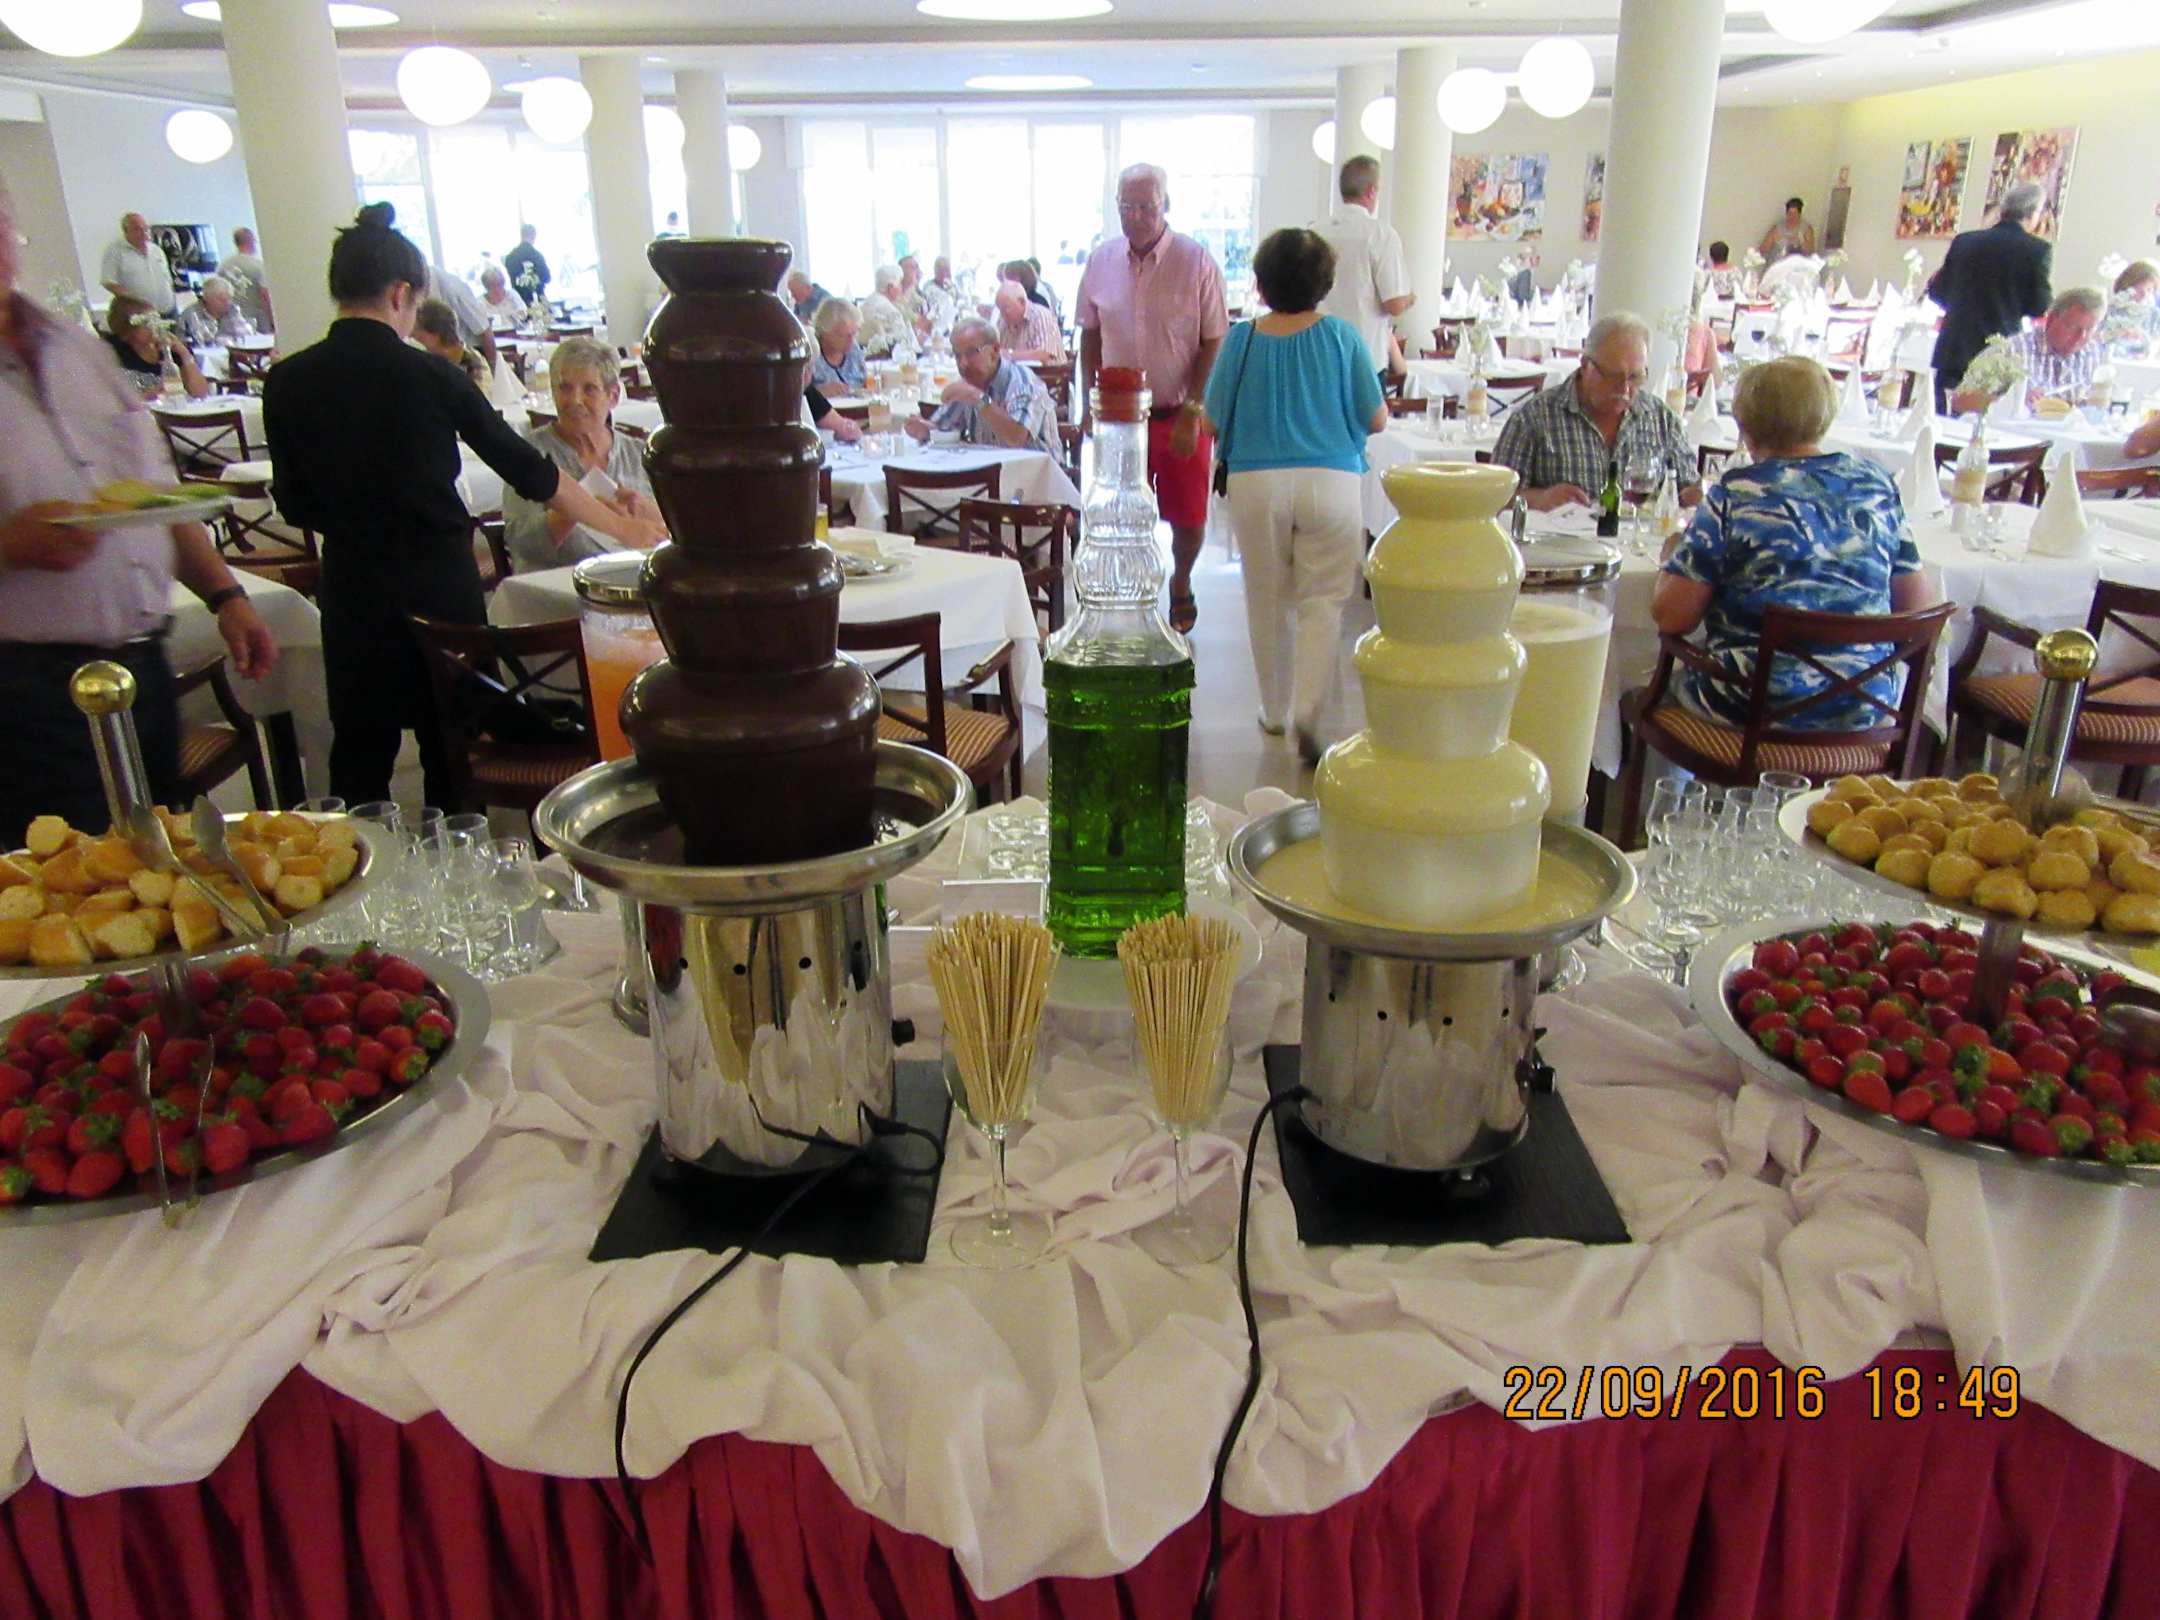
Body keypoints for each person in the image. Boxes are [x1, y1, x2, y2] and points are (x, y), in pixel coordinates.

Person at [263, 202, 664, 808]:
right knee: (451, 746)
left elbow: (294, 505)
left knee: (360, 753)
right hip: (437, 587)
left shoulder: (287, 381)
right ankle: (455, 849)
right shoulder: (432, 376)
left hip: (351, 587)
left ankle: (358, 856)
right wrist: (620, 527)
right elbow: (529, 469)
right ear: (401, 294)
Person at [0, 174, 276, 847]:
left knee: (165, 861)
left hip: (143, 666)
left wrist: (225, 595)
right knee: (72, 876)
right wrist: (9, 543)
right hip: (25, 687)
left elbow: (150, 493)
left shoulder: (74, 348)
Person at [1654, 356, 1936, 731]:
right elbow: (1916, 610)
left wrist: (1673, 555)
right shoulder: (1877, 487)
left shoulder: (1736, 495)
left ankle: (1652, 770)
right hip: (1863, 707)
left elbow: (1672, 618)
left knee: (1650, 689)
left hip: (1750, 707)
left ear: (1745, 426)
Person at [1202, 228, 1385, 766]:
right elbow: (1375, 418)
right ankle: (1308, 708)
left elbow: (1212, 420)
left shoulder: (1242, 340)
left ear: (1260, 285)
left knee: (1265, 596)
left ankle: (1274, 710)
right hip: (1332, 479)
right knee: (1322, 599)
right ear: (1324, 284)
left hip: (1256, 482)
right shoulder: (1343, 338)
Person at [1075, 162, 1229, 634]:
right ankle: (1131, 591)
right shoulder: (1101, 261)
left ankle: (1180, 579)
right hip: (1119, 419)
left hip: (1179, 410)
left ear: (1166, 205)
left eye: (1146, 206)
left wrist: (1194, 409)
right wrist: (1089, 402)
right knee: (1122, 512)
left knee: (1189, 516)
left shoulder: (1195, 261)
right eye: (1127, 206)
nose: (1136, 216)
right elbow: (1090, 333)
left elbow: (1214, 340)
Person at [1491, 312, 1699, 514]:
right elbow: (1493, 498)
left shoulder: (1661, 419)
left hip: (1640, 537)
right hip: (1560, 537)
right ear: (1585, 365)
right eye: (1613, 376)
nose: (1625, 389)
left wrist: (1700, 493)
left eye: (1635, 377)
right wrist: (1540, 500)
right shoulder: (1533, 419)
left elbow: (1687, 489)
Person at [503, 337, 664, 573]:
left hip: (635, 579)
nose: (575, 400)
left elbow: (679, 531)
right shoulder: (530, 456)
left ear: (613, 395)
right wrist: (575, 509)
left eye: (589, 389)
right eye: (564, 388)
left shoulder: (641, 454)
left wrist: (645, 511)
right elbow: (520, 543)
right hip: (554, 585)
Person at [1927, 181, 2052, 413]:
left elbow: (1938, 292)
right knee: (1985, 421)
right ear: (2033, 213)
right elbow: (2039, 306)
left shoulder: (1965, 241)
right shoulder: (2036, 250)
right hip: (1996, 352)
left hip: (1955, 346)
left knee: (1942, 419)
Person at [1316, 155, 1413, 382]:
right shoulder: (1380, 234)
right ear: (1371, 191)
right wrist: (1410, 298)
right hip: (1363, 358)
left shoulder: (1315, 232)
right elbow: (1394, 304)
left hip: (1320, 354)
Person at [903, 316, 1059, 457]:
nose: (963, 363)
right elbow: (943, 428)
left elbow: (1016, 438)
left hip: (1036, 474)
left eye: (971, 353)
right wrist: (924, 430)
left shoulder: (1023, 383)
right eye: (957, 356)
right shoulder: (971, 382)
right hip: (990, 472)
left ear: (995, 351)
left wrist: (978, 398)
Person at [1949, 285, 2105, 415]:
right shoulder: (2009, 351)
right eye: (2073, 327)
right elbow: (1959, 401)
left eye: (2089, 330)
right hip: (2014, 437)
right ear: (2050, 319)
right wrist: (2012, 402)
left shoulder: (2093, 355)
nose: (2080, 337)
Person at [102, 295, 211, 399]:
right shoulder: (110, 350)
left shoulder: (170, 347)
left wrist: (184, 354)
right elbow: (105, 399)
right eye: (146, 323)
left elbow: (200, 393)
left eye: (156, 320)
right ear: (127, 329)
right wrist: (146, 397)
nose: (153, 328)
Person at [99, 212, 175, 316]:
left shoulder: (156, 250)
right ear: (126, 231)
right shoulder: (115, 252)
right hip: (140, 315)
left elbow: (167, 278)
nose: (143, 233)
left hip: (168, 310)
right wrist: (135, 300)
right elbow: (108, 282)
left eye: (145, 228)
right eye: (137, 229)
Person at [426, 266, 500, 370]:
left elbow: (484, 330)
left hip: (471, 354)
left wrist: (494, 370)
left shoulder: (453, 288)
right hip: (441, 355)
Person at [411, 298, 492, 389]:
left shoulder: (474, 365)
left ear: (435, 335)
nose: (412, 336)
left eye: (417, 331)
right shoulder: (432, 361)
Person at [217, 225, 272, 332]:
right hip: (257, 319)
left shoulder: (223, 266)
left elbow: (219, 294)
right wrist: (272, 320)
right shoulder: (258, 266)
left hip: (231, 319)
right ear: (250, 241)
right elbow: (264, 295)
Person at [176, 276, 255, 349]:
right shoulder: (191, 314)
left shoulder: (232, 309)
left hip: (232, 352)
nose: (227, 303)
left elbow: (245, 333)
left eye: (229, 298)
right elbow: (184, 343)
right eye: (222, 299)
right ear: (207, 298)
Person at [2100, 260, 2160, 356]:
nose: (2144, 296)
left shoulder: (2154, 315)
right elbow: (2094, 339)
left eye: (2149, 290)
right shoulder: (2105, 309)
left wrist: (2143, 338)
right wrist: (2116, 334)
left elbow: (2155, 346)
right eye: (2138, 290)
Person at [993, 279, 1062, 362]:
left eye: (1006, 308)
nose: (1002, 313)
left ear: (1022, 302)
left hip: (1047, 370)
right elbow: (996, 349)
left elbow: (1044, 355)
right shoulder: (1003, 320)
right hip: (1018, 369)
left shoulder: (1041, 315)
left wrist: (1009, 354)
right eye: (1000, 309)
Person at [809, 299, 869, 393]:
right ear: (824, 333)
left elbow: (865, 382)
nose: (851, 340)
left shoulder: (854, 350)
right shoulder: (811, 354)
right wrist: (818, 393)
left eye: (854, 334)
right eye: (842, 335)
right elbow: (796, 394)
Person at [858, 265, 911, 358]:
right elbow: (905, 341)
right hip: (884, 359)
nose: (901, 288)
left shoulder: (867, 303)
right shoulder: (889, 309)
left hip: (864, 355)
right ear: (890, 287)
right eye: (900, 284)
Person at [1757, 198, 1816, 265]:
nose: (1792, 217)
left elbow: (1811, 253)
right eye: (1789, 214)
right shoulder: (1778, 228)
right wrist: (1777, 240)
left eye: (1795, 214)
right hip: (1777, 264)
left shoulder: (1806, 229)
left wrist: (1801, 241)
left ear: (1799, 214)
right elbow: (1763, 249)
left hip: (1797, 265)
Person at [504, 224, 550, 306]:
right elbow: (547, 278)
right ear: (534, 236)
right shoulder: (537, 256)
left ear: (521, 235)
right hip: (538, 299)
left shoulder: (510, 257)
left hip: (519, 301)